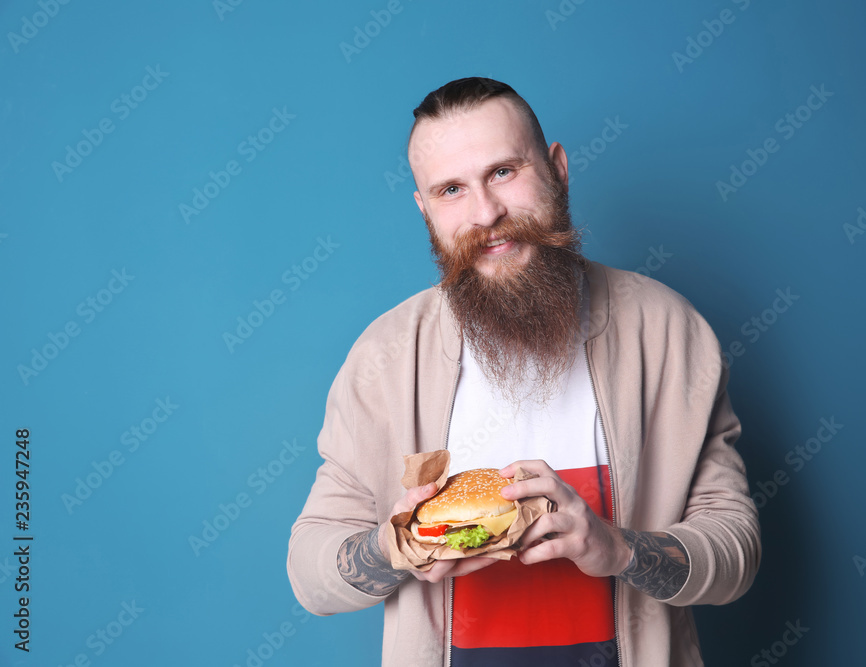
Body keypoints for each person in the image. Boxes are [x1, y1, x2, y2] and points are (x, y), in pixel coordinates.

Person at [287, 77, 761, 666]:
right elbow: (310, 574)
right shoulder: (385, 357)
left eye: (504, 172)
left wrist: (620, 548)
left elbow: (737, 553)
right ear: (423, 207)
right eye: (451, 189)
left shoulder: (668, 331)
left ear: (557, 167)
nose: (486, 213)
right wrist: (402, 544)